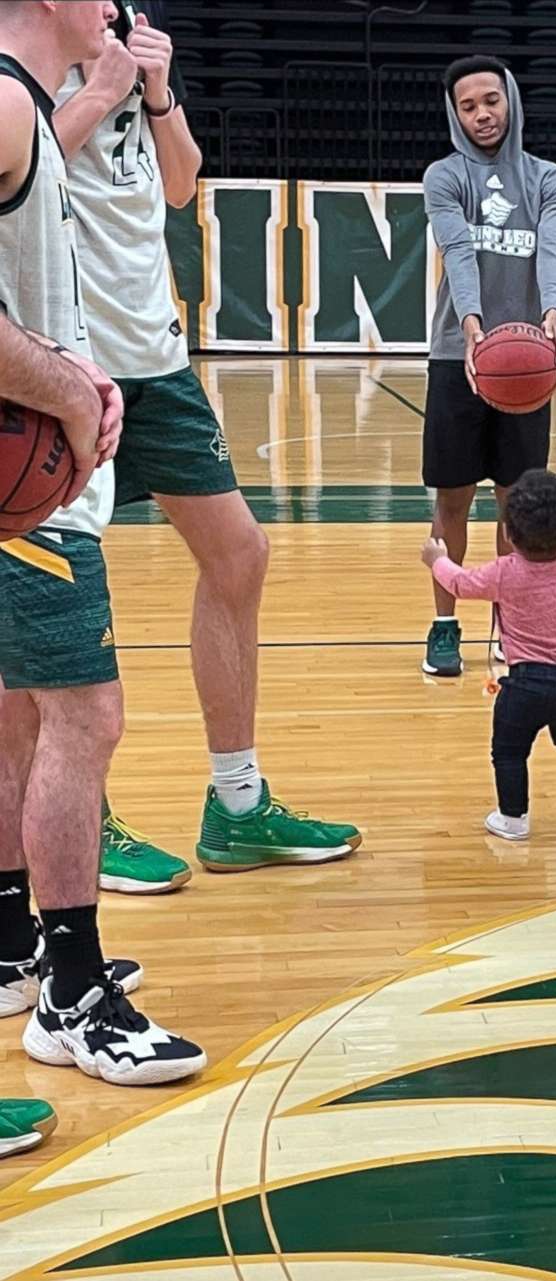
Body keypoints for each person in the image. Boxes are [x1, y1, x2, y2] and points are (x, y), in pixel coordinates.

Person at [53, 0, 361, 884]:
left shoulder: (130, 40)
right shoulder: (29, 59)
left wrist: (154, 91)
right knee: (65, 587)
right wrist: (98, 88)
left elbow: (182, 183)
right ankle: (81, 815)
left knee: (239, 556)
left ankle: (236, 805)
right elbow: (23, 170)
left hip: (156, 358)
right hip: (66, 366)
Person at [0, 0, 204, 1086]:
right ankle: (73, 996)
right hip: (30, 507)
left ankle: (7, 944)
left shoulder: (28, 105)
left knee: (20, 714)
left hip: (32, 485)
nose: (121, 6)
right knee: (86, 718)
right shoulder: (7, 105)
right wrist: (66, 390)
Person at [421, 55, 556, 678]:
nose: (482, 114)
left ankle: (512, 629)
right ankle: (443, 625)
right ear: (455, 115)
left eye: (491, 100)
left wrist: (554, 315)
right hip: (459, 358)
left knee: (516, 505)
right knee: (451, 500)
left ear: (511, 101)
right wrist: (472, 325)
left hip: (527, 364)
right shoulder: (444, 176)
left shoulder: (550, 180)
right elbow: (458, 248)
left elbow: (553, 251)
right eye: (468, 106)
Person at [421, 469, 556, 841]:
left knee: (509, 752)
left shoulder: (505, 572)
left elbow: (458, 582)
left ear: (509, 533)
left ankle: (513, 817)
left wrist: (436, 559)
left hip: (526, 685)